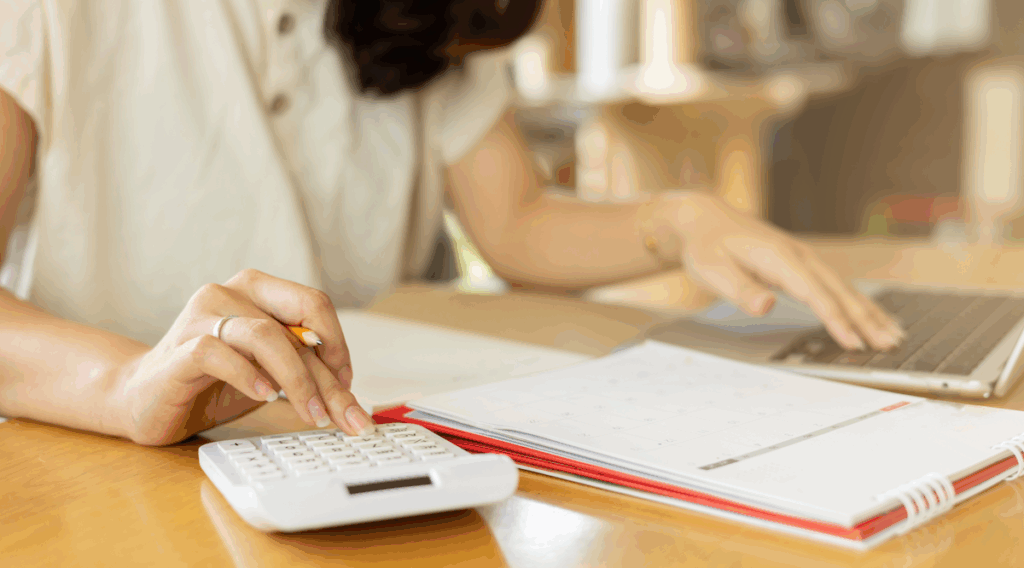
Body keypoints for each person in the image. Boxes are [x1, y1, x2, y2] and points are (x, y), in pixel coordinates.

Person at [0, 0, 902, 446]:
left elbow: (515, 224)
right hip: (100, 455)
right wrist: (128, 387)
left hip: (349, 451)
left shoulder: (432, 13)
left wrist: (681, 218)